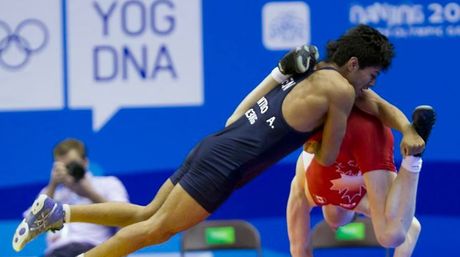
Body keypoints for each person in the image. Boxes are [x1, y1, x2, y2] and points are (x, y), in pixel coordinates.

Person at [13, 25, 425, 257]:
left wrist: (406, 127)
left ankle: (59, 211)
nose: (370, 86)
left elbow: (235, 116)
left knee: (146, 213)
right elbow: (330, 153)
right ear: (354, 65)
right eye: (371, 75)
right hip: (227, 167)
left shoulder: (308, 71)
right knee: (156, 230)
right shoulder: (340, 92)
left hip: (213, 145)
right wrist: (315, 143)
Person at [287, 106, 435, 257]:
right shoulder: (365, 203)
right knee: (393, 235)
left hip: (342, 129)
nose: (335, 227)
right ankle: (413, 159)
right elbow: (412, 226)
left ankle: (413, 160)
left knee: (393, 234)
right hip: (369, 138)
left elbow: (299, 248)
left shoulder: (304, 191)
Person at [26, 138, 129, 257]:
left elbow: (125, 217)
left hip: (93, 249)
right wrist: (53, 184)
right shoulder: (50, 193)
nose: (68, 171)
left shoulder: (107, 184)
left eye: (71, 165)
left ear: (85, 162)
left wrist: (89, 193)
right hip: (56, 252)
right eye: (63, 167)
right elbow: (29, 228)